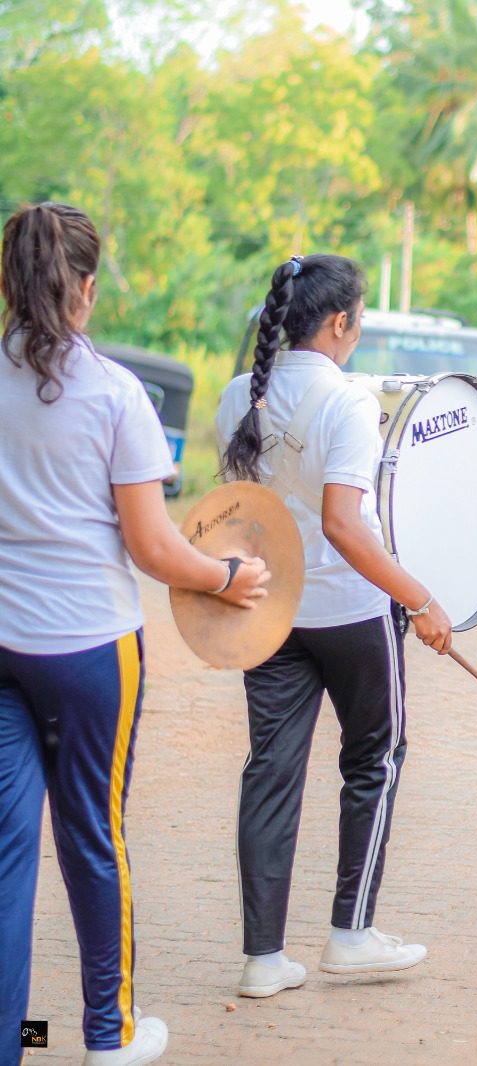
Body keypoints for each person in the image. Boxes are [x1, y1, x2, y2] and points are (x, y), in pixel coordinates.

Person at [1, 202, 269, 1066]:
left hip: (3, 645)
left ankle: (12, 1042)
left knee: (6, 852)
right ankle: (108, 1037)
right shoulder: (115, 394)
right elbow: (153, 547)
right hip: (88, 652)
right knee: (92, 837)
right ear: (85, 287)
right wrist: (227, 577)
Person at [216, 254, 453, 1001]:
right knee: (374, 759)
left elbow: (239, 514)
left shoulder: (236, 396)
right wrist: (420, 598)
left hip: (271, 609)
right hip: (351, 612)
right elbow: (345, 527)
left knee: (270, 773)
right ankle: (350, 934)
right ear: (340, 322)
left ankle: (263, 959)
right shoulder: (349, 401)